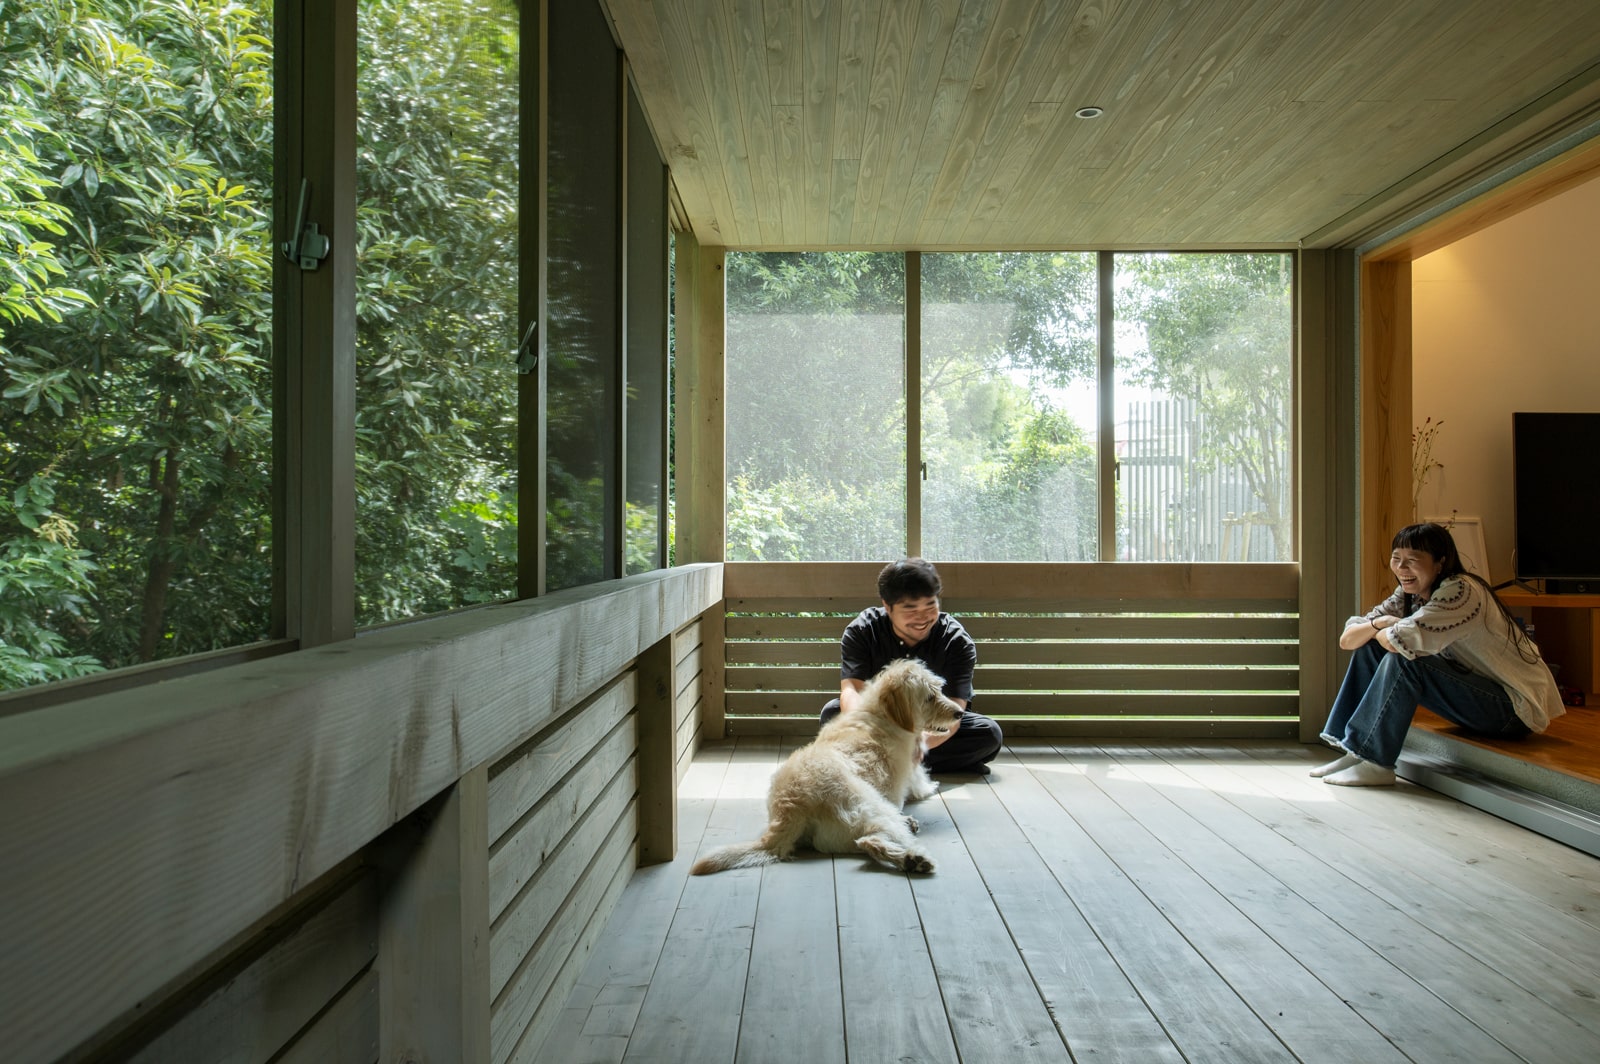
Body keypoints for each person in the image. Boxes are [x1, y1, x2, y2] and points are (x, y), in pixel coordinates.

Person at [1314, 522, 1564, 786]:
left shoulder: (1460, 592)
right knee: (1371, 647)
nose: (1402, 568)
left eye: (1412, 560)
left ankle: (1376, 762)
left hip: (1513, 710)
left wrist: (1380, 628)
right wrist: (1380, 624)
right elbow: (1348, 640)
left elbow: (1397, 642)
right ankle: (1354, 752)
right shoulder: (1409, 592)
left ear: (1440, 563)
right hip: (1478, 697)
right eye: (1396, 559)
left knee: (1405, 659)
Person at [820, 558, 1004, 775]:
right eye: (910, 608)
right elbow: (852, 690)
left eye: (930, 605)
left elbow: (955, 709)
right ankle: (917, 765)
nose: (922, 617)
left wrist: (917, 744)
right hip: (880, 726)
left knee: (989, 734)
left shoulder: (956, 640)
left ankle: (889, 765)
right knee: (831, 714)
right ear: (887, 606)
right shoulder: (863, 630)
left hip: (934, 725)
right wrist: (868, 735)